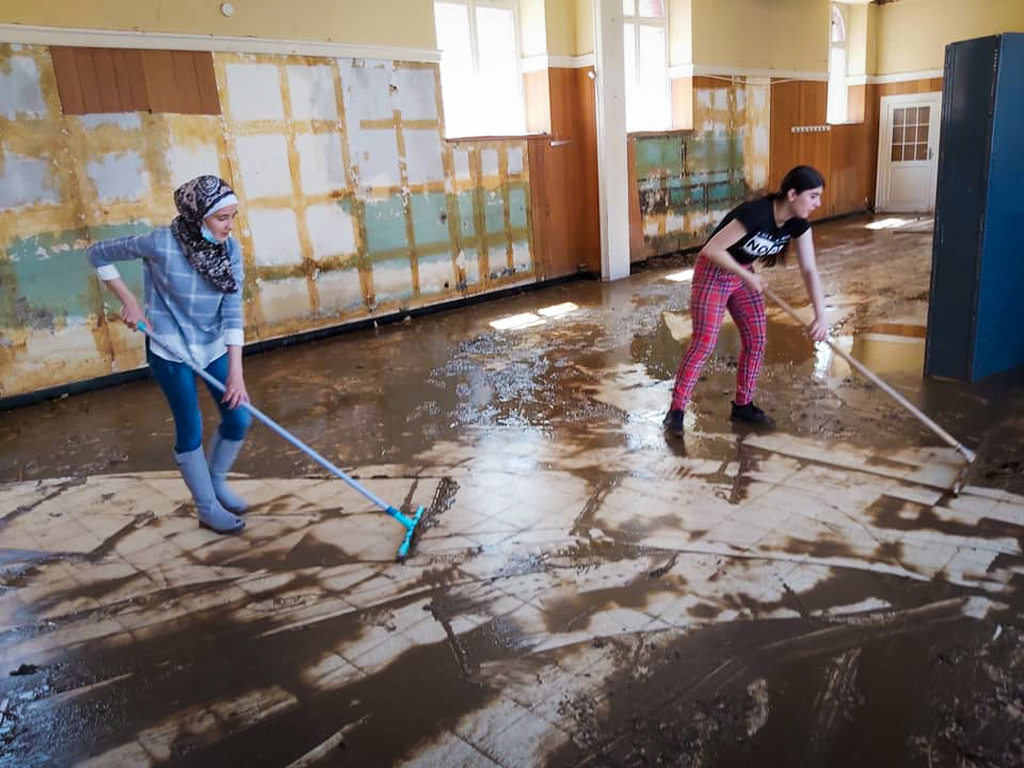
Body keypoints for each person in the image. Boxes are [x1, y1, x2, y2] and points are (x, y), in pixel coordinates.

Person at [88, 175, 251, 534]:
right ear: (199, 216)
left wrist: (236, 371)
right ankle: (207, 507)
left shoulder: (230, 250)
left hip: (211, 347)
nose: (229, 226)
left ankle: (216, 481)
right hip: (170, 348)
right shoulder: (161, 242)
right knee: (190, 424)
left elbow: (232, 309)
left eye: (233, 216)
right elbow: (97, 253)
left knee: (239, 419)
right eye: (222, 218)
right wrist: (129, 301)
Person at [663, 165, 829, 437]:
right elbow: (712, 249)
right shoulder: (757, 213)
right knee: (704, 342)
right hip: (714, 272)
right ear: (791, 194)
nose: (817, 203)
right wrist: (746, 275)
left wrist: (821, 316)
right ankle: (676, 411)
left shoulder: (798, 223)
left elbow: (810, 269)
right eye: (813, 196)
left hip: (742, 273)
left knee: (757, 339)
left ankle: (743, 405)